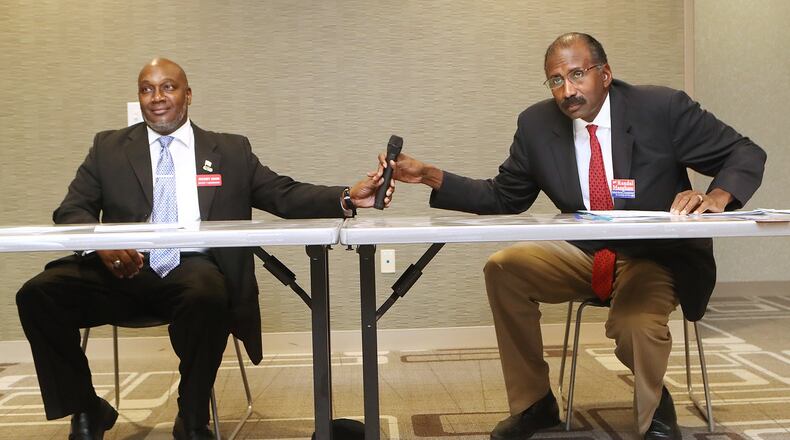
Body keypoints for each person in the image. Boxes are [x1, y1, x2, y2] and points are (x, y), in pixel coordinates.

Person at [383, 33, 766, 440]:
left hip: (655, 257)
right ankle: (535, 404)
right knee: (504, 269)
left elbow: (744, 152)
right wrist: (429, 175)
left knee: (633, 323)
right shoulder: (536, 124)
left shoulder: (661, 108)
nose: (568, 90)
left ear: (605, 74)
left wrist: (717, 196)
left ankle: (654, 406)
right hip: (587, 254)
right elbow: (505, 196)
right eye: (555, 80)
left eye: (578, 74)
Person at [16, 58, 393, 440]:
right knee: (37, 294)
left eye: (168, 87)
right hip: (121, 268)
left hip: (191, 269)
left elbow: (282, 194)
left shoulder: (229, 150)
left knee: (209, 293)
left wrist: (347, 196)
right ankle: (86, 409)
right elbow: (71, 209)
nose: (157, 97)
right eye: (147, 89)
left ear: (188, 94)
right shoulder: (108, 147)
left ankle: (192, 416)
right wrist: (103, 244)